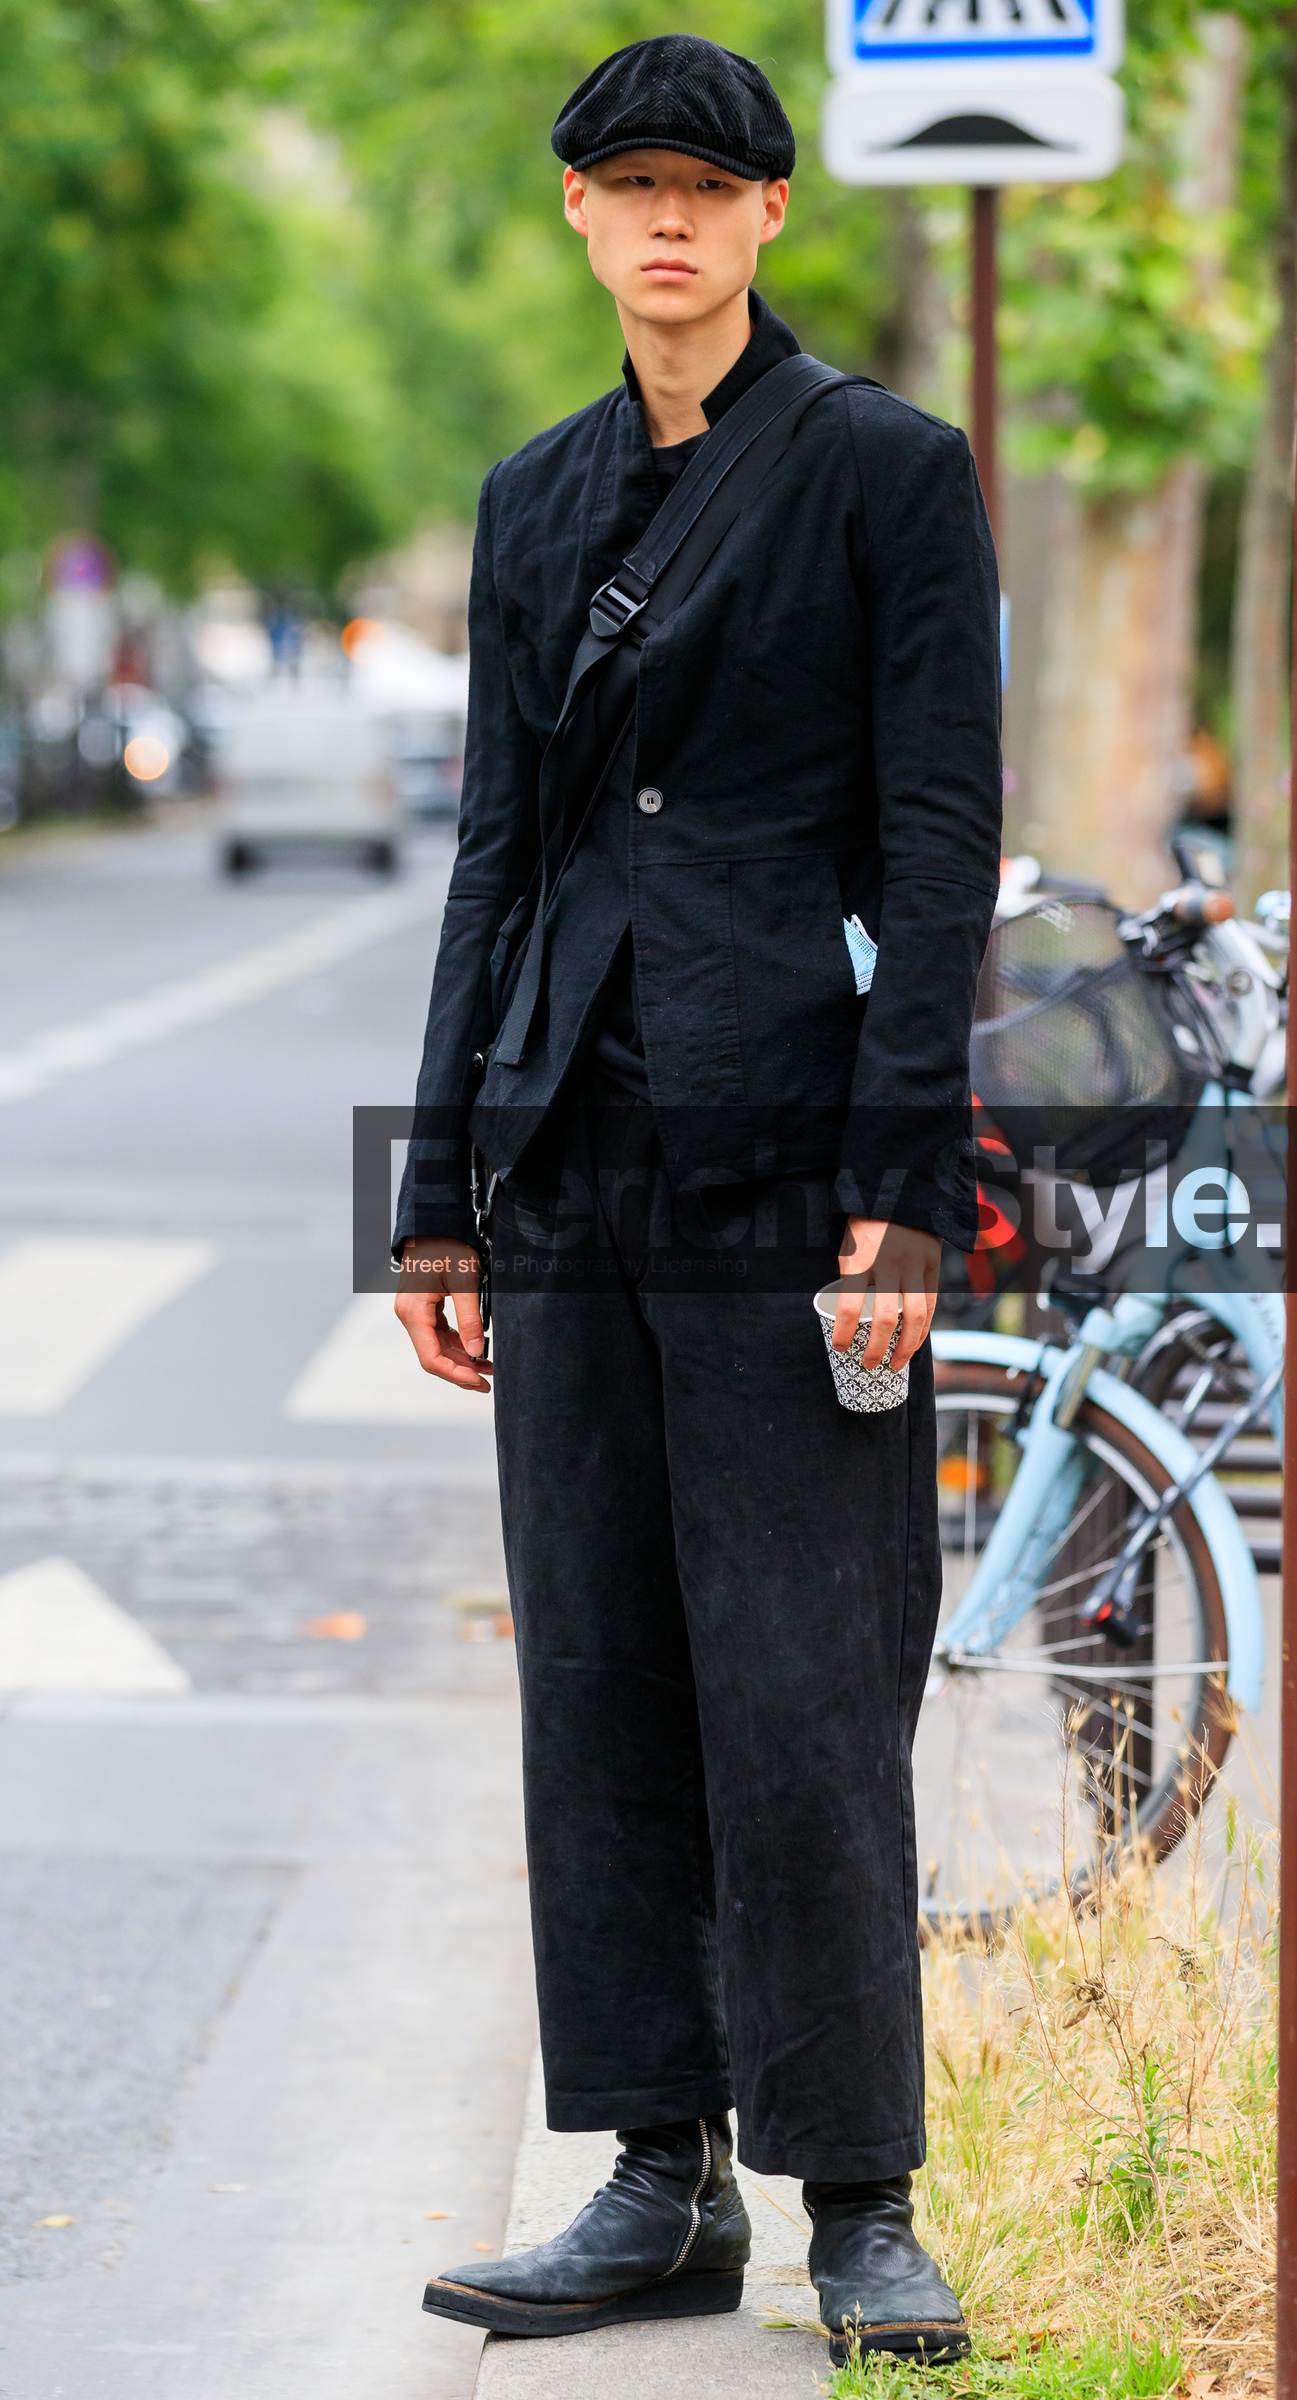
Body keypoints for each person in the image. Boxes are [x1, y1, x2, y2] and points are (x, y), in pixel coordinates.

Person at [393, 31, 1000, 2365]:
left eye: (702, 184)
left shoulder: (881, 475)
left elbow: (934, 850)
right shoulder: (528, 499)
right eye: (621, 182)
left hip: (787, 1160)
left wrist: (899, 1192)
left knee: (804, 1683)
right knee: (604, 1678)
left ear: (766, 220)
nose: (661, 218)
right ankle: (653, 2177)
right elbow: (495, 854)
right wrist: (438, 1190)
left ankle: (854, 2195)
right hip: (564, 1159)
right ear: (573, 217)